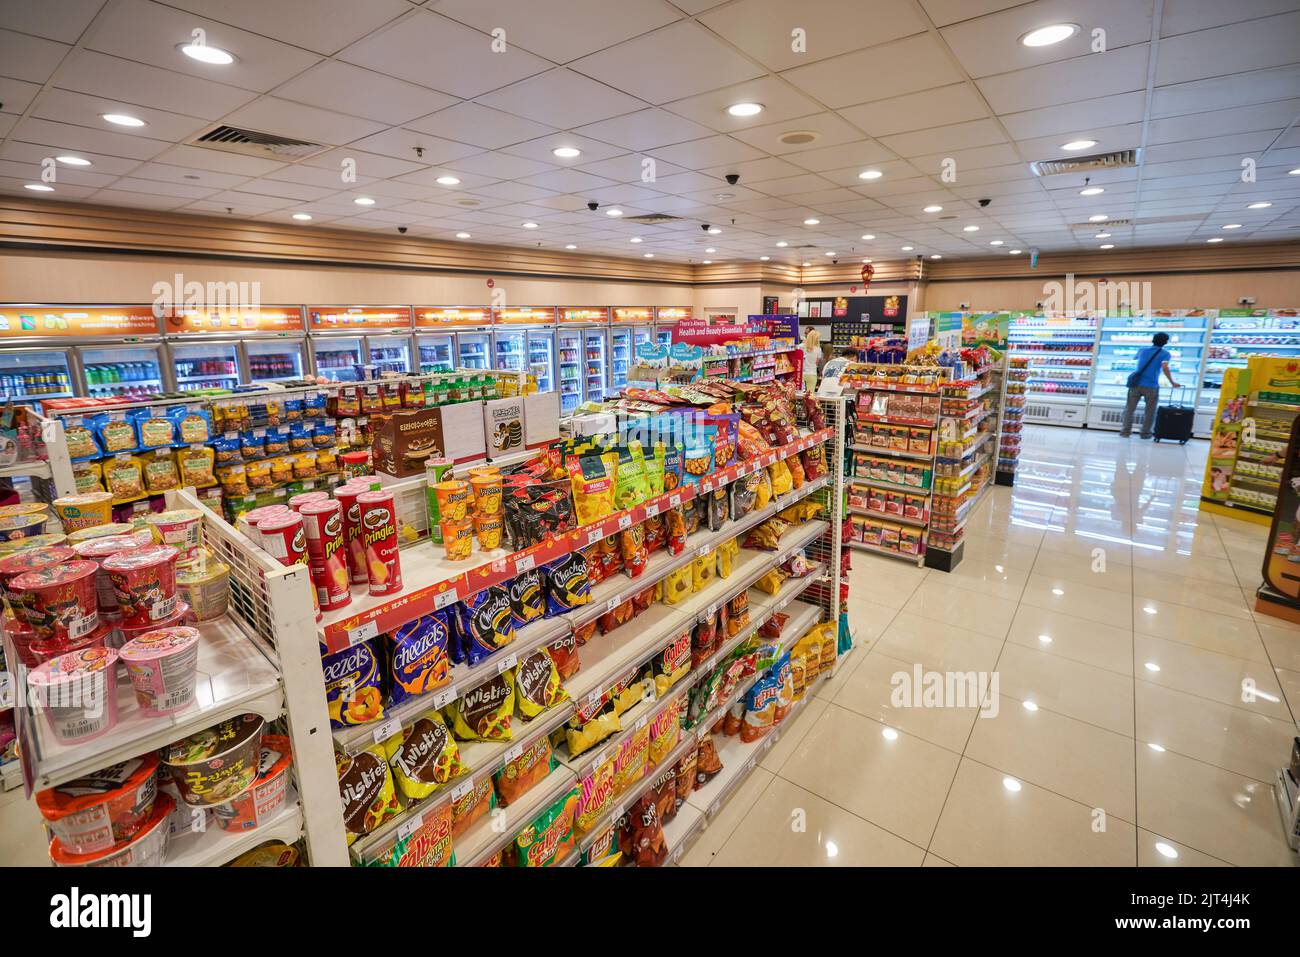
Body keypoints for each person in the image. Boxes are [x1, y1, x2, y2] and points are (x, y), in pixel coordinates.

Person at [1120, 332, 1181, 439]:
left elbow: (1135, 358)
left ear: (1153, 340)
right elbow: (1165, 367)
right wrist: (1172, 382)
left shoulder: (1142, 350)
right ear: (1165, 342)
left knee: (1129, 409)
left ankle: (1125, 432)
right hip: (1151, 386)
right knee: (1150, 412)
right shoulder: (1165, 354)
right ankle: (1145, 433)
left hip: (1136, 384)